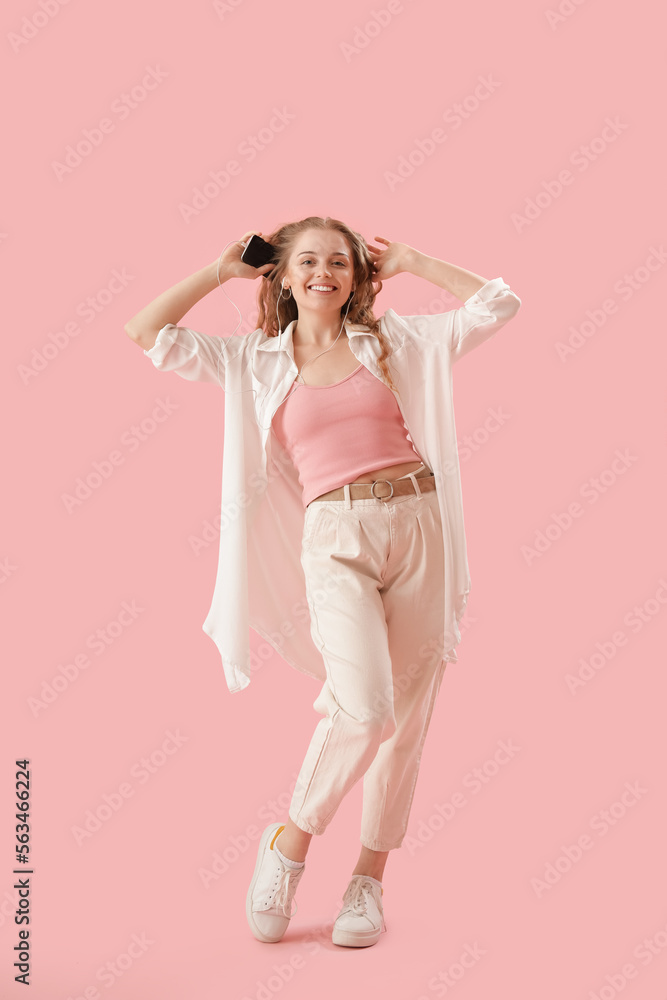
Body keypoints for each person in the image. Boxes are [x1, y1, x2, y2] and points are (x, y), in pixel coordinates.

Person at [124, 216, 522, 949]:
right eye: (306, 261)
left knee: (407, 717)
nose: (323, 273)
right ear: (281, 276)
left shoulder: (393, 342)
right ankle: (290, 846)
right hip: (333, 536)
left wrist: (412, 257)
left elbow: (498, 302)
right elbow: (148, 332)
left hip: (419, 524)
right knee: (363, 708)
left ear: (357, 277)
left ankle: (366, 881)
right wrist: (219, 273)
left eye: (338, 262)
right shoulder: (254, 361)